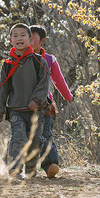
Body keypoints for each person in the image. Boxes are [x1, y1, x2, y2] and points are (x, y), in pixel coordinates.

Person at [0, 23, 50, 178]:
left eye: (23, 35)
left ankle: (31, 170)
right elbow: (2, 88)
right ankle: (15, 170)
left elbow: (44, 84)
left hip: (36, 110)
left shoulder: (39, 61)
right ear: (11, 40)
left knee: (34, 141)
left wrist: (36, 100)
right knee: (19, 139)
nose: (19, 38)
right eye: (15, 36)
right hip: (16, 110)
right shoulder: (7, 64)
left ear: (30, 39)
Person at [30, 25, 74, 179]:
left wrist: (67, 96)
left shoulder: (49, 59)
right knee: (21, 134)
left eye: (33, 37)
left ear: (42, 41)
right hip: (23, 104)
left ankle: (50, 165)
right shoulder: (18, 58)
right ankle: (15, 164)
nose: (29, 40)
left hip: (45, 103)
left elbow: (58, 80)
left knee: (45, 134)